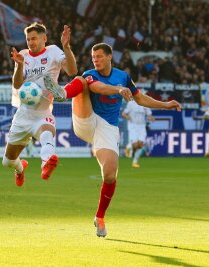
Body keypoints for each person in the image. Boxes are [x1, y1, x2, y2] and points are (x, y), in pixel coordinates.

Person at [44, 43, 181, 237]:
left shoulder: (123, 76)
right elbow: (98, 88)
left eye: (99, 56)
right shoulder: (91, 73)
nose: (95, 59)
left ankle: (99, 217)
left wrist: (165, 105)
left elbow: (140, 99)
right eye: (93, 56)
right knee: (81, 81)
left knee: (110, 175)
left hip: (107, 128)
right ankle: (62, 93)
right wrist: (117, 90)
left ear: (109, 57)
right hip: (87, 119)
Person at [2, 22, 77, 187]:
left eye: (34, 38)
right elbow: (16, 84)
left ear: (45, 39)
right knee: (7, 161)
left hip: (43, 113)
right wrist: (20, 65)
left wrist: (66, 47)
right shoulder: (23, 55)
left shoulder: (54, 52)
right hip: (23, 115)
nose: (31, 42)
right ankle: (20, 168)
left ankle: (46, 164)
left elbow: (72, 71)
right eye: (28, 39)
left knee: (47, 134)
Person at [122, 101, 154, 168]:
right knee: (136, 145)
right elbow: (124, 114)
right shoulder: (131, 103)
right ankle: (129, 147)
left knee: (140, 144)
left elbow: (149, 114)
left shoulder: (144, 103)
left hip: (142, 126)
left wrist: (150, 118)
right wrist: (128, 117)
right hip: (133, 125)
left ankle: (135, 162)